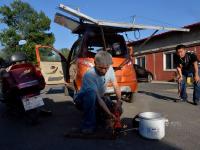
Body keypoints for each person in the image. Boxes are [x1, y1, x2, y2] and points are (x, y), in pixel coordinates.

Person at [73, 51, 121, 134]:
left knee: (118, 109)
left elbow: (116, 86)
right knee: (91, 95)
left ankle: (98, 116)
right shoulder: (89, 75)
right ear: (95, 63)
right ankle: (88, 126)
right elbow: (98, 99)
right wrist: (109, 114)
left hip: (98, 98)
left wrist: (119, 101)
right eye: (100, 68)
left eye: (106, 68)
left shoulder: (110, 69)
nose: (104, 71)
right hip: (82, 100)